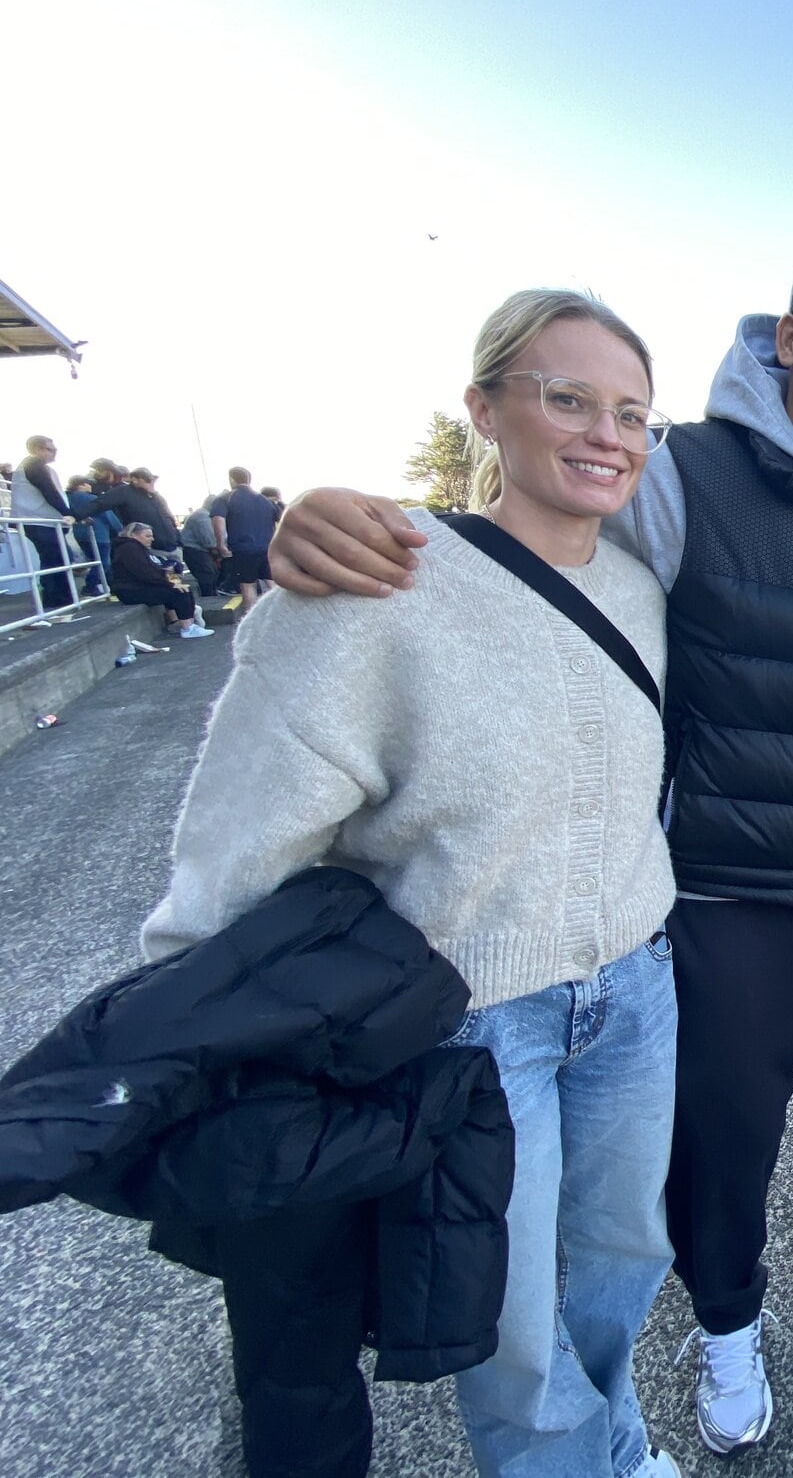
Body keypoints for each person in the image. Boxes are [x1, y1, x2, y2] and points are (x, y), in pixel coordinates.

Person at [266, 247, 793, 1458]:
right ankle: (726, 1322)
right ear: (786, 338)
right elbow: (523, 528)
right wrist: (338, 515)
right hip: (726, 885)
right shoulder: (684, 474)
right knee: (723, 1134)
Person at [143, 289, 684, 1478]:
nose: (606, 434)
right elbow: (246, 824)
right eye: (569, 398)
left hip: (638, 995)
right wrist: (193, 1021)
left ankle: (618, 1441)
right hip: (479, 1019)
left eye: (632, 414)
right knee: (508, 1314)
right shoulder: (377, 578)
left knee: (619, 1262)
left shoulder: (643, 591)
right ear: (485, 407)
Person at [108, 522, 214, 638]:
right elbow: (145, 572)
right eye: (147, 536)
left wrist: (170, 578)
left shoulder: (135, 548)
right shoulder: (130, 548)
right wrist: (169, 583)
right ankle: (187, 627)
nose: (152, 539)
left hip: (135, 587)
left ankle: (187, 619)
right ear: (133, 535)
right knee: (178, 592)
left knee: (182, 589)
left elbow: (150, 570)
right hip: (130, 591)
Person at [10, 434, 78, 611]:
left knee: (58, 559)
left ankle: (60, 599)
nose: (55, 453)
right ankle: (57, 600)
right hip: (39, 522)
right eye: (51, 449)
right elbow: (48, 491)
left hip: (41, 522)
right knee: (55, 560)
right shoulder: (34, 465)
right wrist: (68, 513)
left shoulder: (30, 466)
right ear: (38, 449)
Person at [219, 465, 280, 608]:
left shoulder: (226, 498)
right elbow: (282, 520)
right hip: (267, 547)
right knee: (272, 582)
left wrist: (221, 543)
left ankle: (251, 619)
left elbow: (218, 521)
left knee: (248, 586)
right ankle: (285, 614)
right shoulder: (266, 501)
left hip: (243, 548)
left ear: (231, 480)